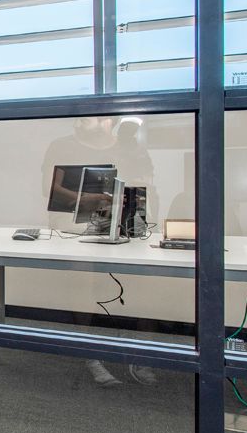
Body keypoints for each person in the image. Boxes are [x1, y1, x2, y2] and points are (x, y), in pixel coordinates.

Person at [40, 117, 158, 388]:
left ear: (108, 120)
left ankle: (143, 355)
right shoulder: (61, 146)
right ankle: (91, 353)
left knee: (149, 283)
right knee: (85, 281)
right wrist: (87, 199)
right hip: (75, 221)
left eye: (90, 115)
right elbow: (49, 188)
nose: (81, 119)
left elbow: (147, 185)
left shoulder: (132, 149)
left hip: (126, 217)